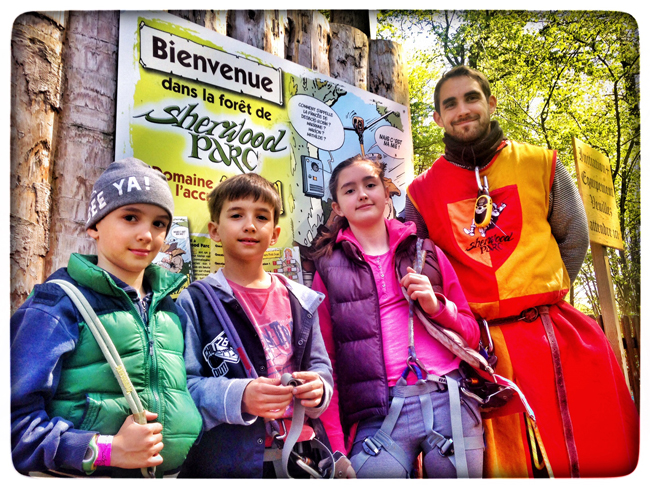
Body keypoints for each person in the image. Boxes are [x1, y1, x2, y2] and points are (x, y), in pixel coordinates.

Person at [404, 65, 639, 477]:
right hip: (485, 351)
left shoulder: (539, 164)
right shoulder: (422, 192)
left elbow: (575, 237)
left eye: (471, 98)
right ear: (438, 118)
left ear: (491, 103)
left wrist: (540, 290)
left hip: (560, 334)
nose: (463, 110)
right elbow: (414, 264)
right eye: (450, 104)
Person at [10, 157, 203, 477]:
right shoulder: (57, 304)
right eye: (131, 217)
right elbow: (14, 424)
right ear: (94, 226)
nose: (147, 234)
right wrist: (105, 450)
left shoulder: (171, 309)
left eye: (159, 223)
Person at [310, 155, 485, 478]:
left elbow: (471, 335)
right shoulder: (326, 269)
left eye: (370, 185)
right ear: (337, 207)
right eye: (349, 190)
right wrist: (335, 446)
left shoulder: (427, 251)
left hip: (448, 398)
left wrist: (436, 307)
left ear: (387, 192)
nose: (362, 194)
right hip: (376, 414)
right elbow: (325, 363)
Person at [176, 173, 335, 478]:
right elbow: (185, 387)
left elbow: (321, 368)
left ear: (274, 234)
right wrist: (241, 395)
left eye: (261, 217)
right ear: (214, 230)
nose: (249, 225)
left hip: (301, 458)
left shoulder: (302, 299)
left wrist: (319, 390)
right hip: (227, 462)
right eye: (236, 215)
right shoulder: (194, 301)